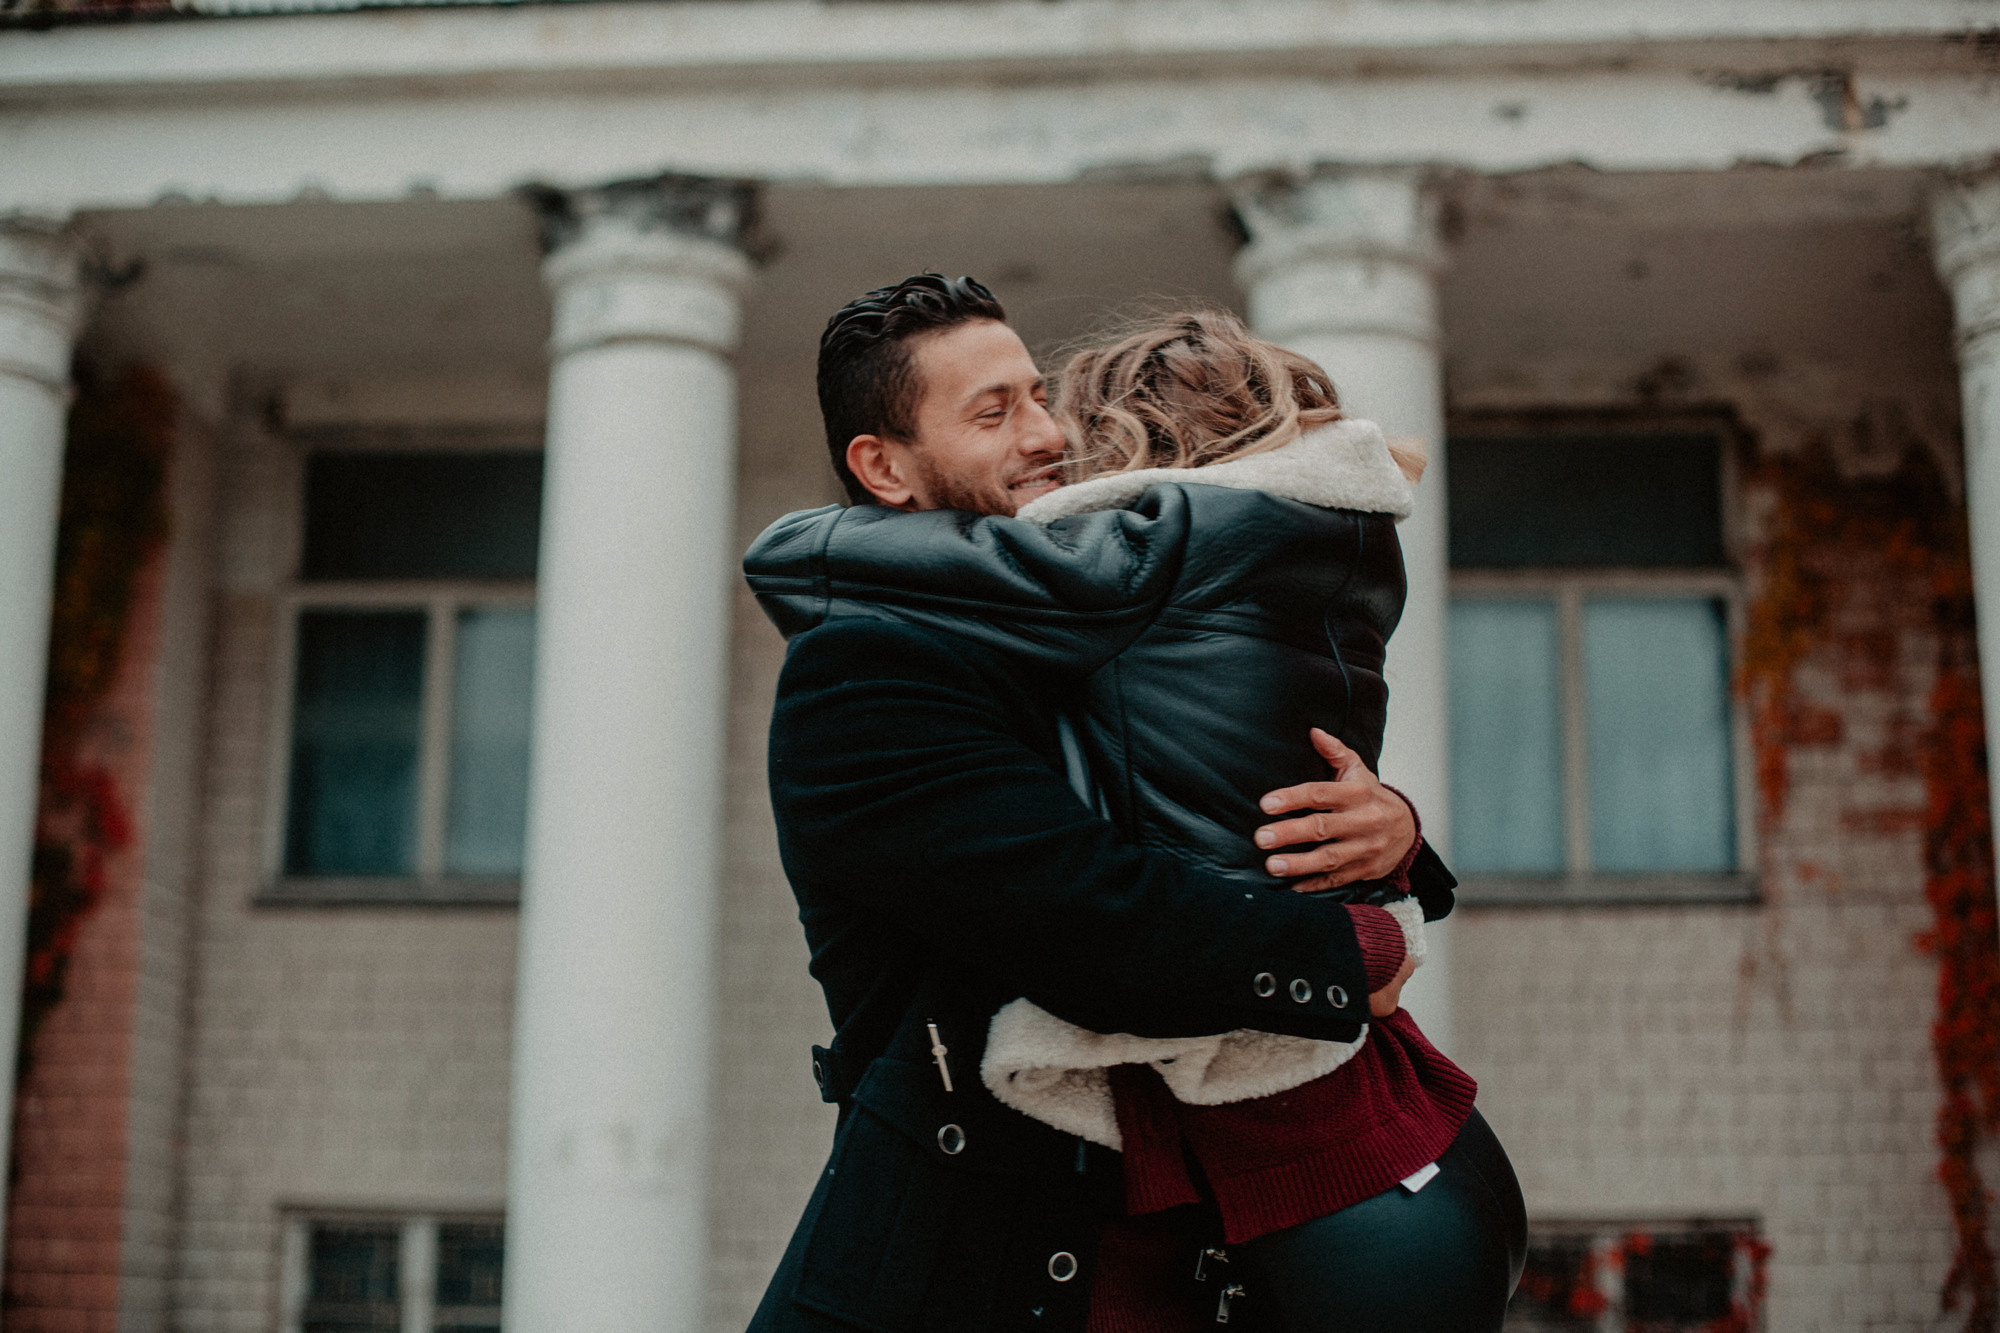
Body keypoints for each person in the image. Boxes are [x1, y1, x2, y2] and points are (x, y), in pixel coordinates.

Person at [744, 275, 1463, 1333]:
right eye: (992, 413)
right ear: (884, 468)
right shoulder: (863, 670)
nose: (1045, 434)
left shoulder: (1100, 630)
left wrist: (1388, 834)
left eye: (1039, 397)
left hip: (1193, 1240)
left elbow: (1213, 794)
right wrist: (1359, 948)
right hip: (974, 1260)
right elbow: (1087, 916)